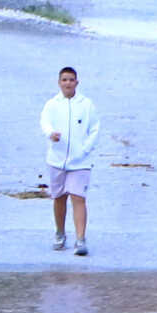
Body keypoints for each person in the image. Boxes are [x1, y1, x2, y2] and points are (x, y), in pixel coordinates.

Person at [40, 64, 98, 256]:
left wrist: (85, 149)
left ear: (77, 82)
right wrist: (51, 134)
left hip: (80, 161)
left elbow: (95, 129)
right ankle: (60, 233)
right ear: (59, 82)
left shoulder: (86, 104)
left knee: (78, 198)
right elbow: (44, 122)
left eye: (71, 80)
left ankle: (80, 239)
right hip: (57, 159)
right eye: (64, 80)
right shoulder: (52, 104)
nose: (68, 83)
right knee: (59, 198)